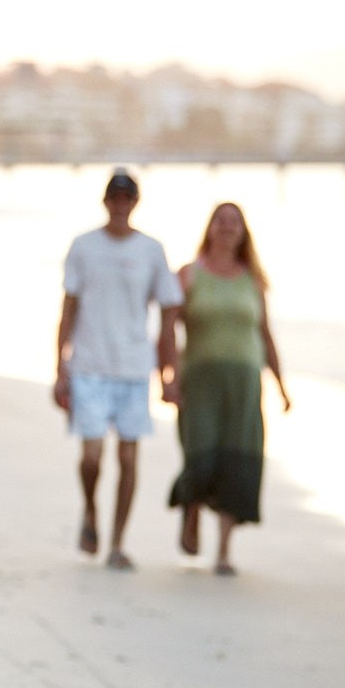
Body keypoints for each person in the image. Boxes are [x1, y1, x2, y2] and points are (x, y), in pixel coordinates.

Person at [53, 168, 182, 571]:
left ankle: (117, 543)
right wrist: (60, 367)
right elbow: (68, 309)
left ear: (135, 202)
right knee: (92, 457)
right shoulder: (83, 246)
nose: (120, 204)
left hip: (134, 368)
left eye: (127, 198)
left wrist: (168, 371)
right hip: (89, 365)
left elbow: (169, 310)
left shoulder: (152, 250)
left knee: (128, 458)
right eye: (115, 197)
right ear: (106, 201)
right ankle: (91, 509)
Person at [169, 202, 291, 575]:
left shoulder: (253, 279)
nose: (227, 227)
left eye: (234, 222)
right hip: (200, 381)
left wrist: (281, 386)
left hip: (244, 383)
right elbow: (167, 328)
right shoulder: (189, 275)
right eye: (220, 221)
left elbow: (265, 334)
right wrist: (168, 376)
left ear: (243, 231)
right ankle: (191, 508)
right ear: (209, 228)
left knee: (238, 460)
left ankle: (223, 551)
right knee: (201, 456)